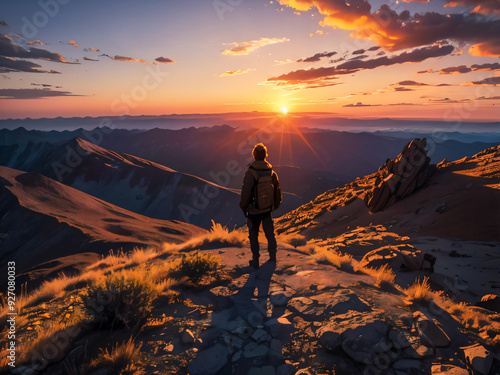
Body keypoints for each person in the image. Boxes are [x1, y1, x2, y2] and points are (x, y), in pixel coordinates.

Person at [240, 143, 282, 269]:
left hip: (253, 211)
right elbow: (277, 190)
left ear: (254, 155)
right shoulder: (271, 172)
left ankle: (256, 260)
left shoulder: (250, 173)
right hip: (267, 209)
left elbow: (246, 192)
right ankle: (273, 256)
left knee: (253, 234)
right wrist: (275, 205)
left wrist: (243, 206)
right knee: (270, 234)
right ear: (265, 155)